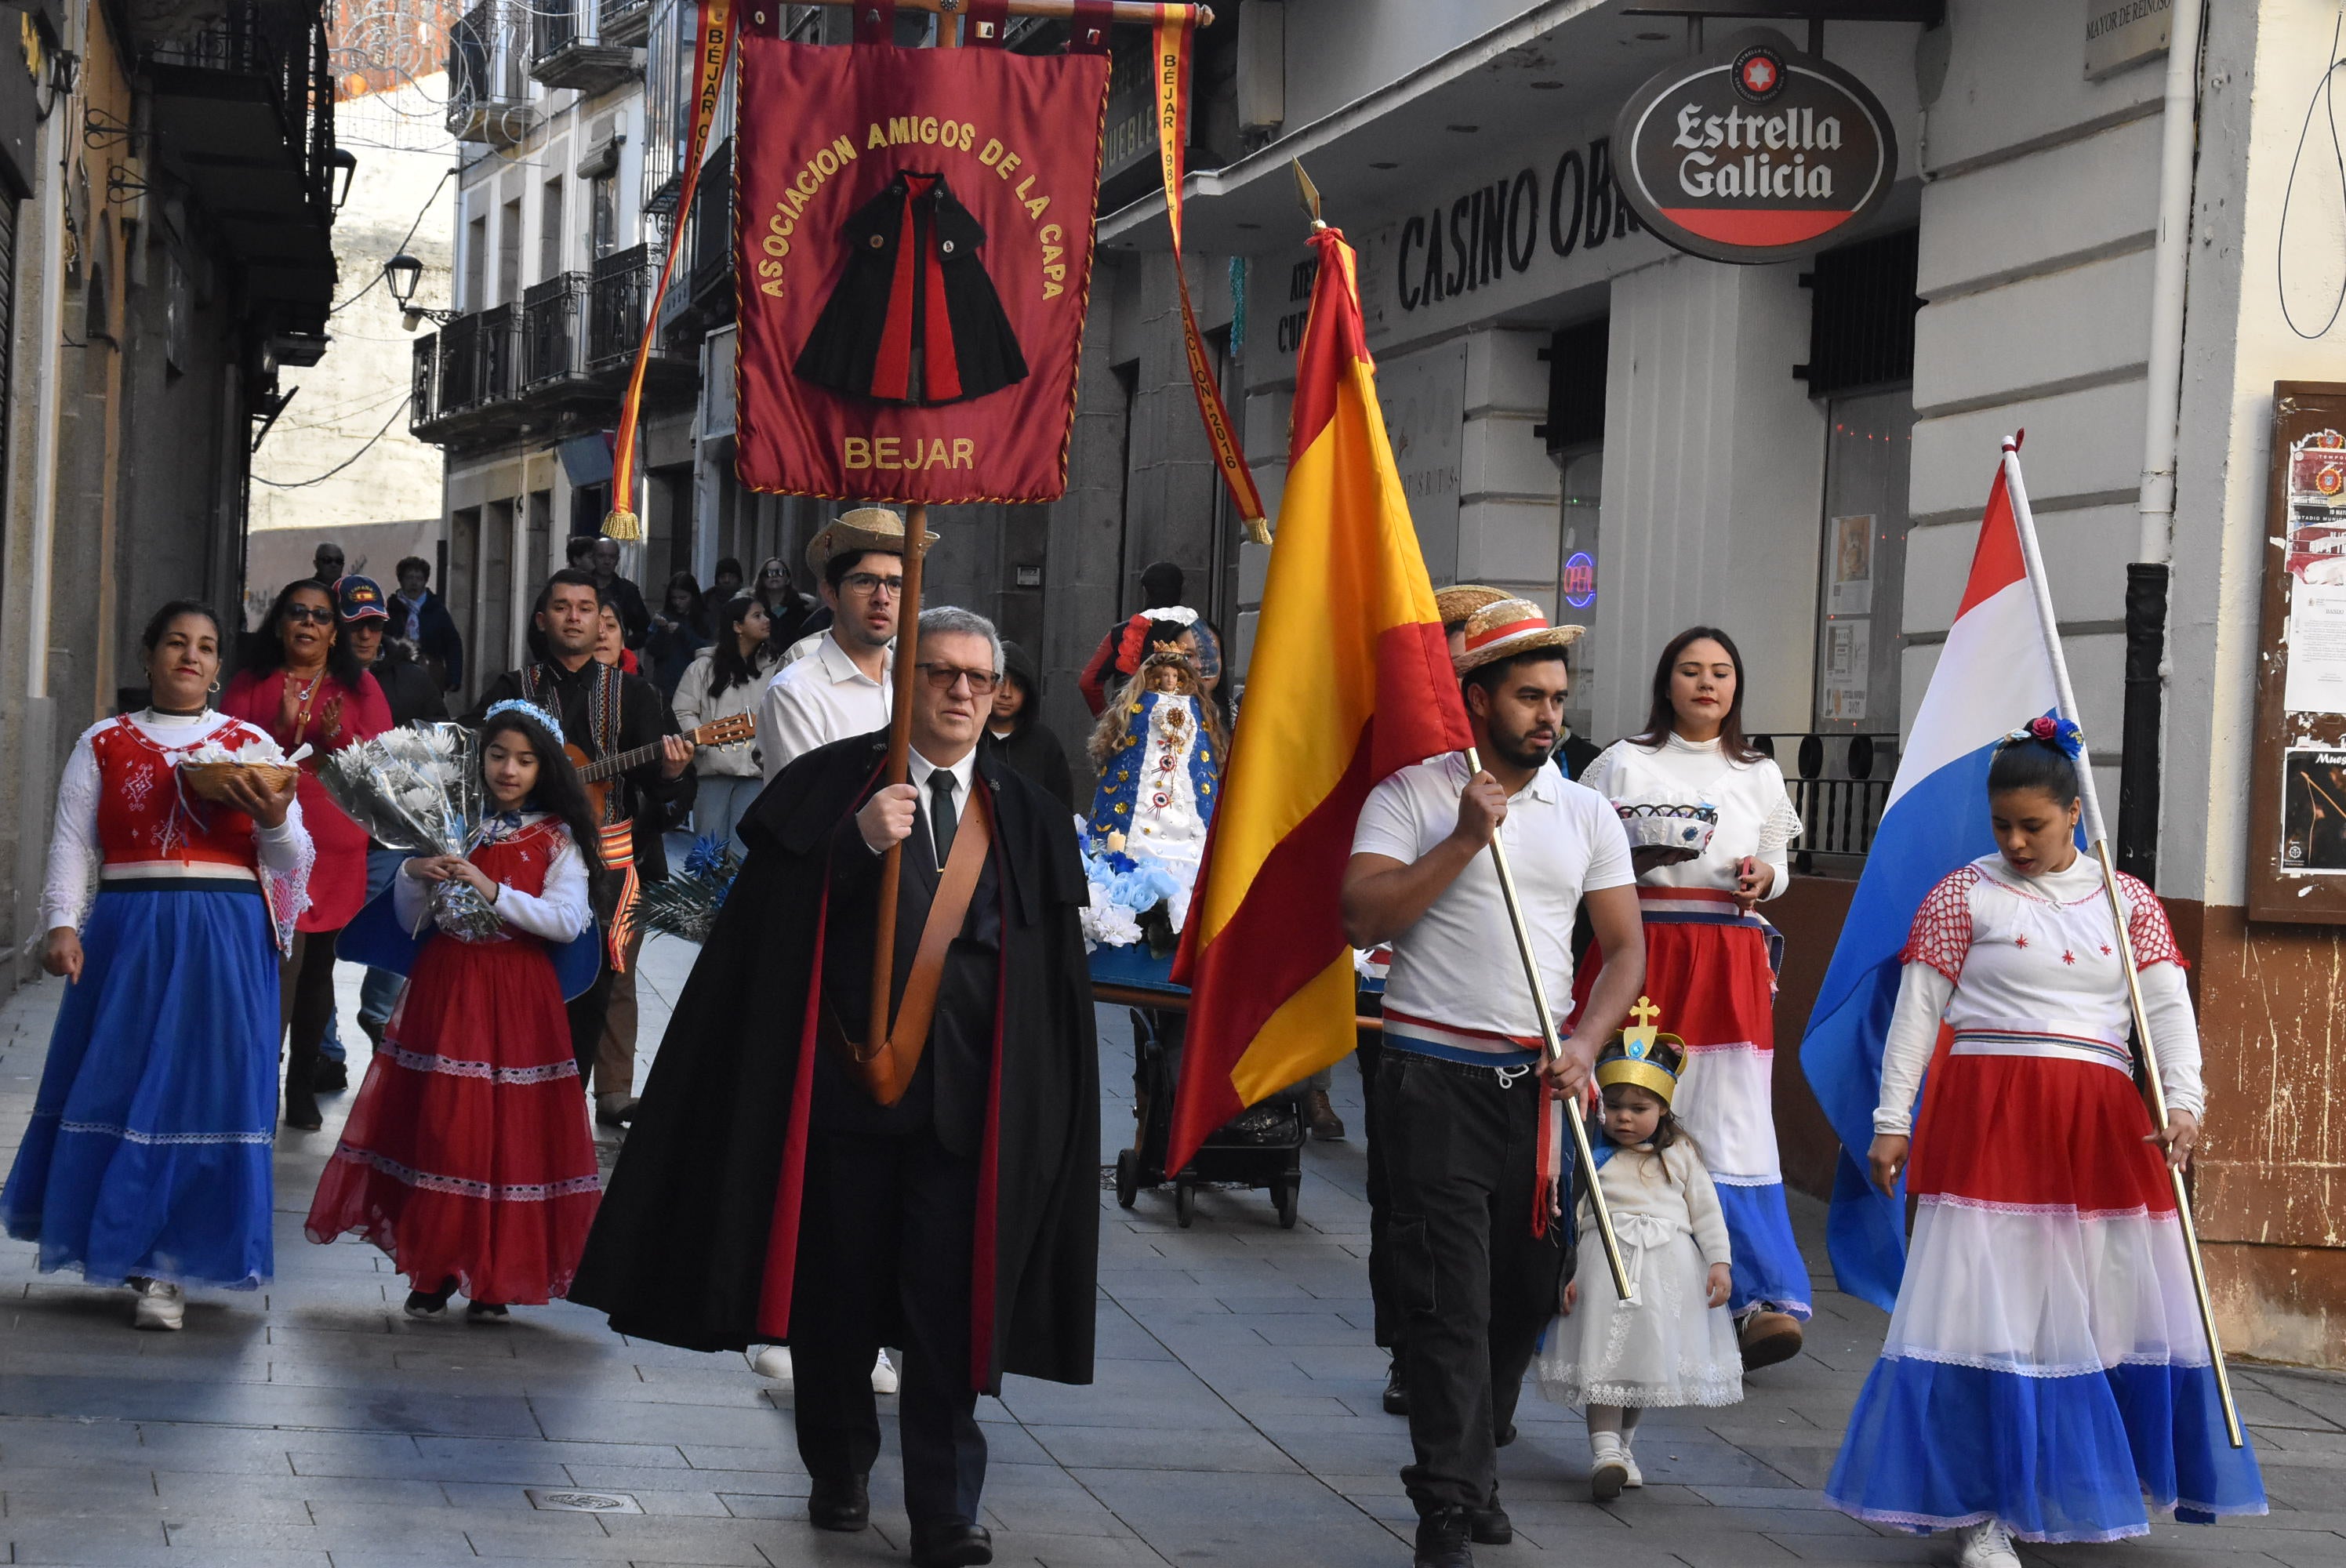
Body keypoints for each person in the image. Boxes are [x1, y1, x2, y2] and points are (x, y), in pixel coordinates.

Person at [571, 607, 1100, 1568]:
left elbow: (1049, 978)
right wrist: (850, 845)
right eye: (939, 672)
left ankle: (946, 1508)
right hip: (841, 1099)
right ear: (903, 681)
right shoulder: (828, 786)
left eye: (979, 678)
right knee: (837, 1299)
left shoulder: (1024, 812)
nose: (961, 692)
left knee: (948, 1309)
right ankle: (840, 1463)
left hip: (968, 1109)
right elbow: (765, 937)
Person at [1826, 717, 2266, 1565]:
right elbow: (1916, 1014)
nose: (2016, 842)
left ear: (2074, 813)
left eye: (2033, 824)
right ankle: (1980, 1504)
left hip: (2100, 1127)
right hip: (1990, 1121)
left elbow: (2166, 1010)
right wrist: (1890, 1121)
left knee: (2100, 1308)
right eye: (2002, 825)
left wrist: (2184, 1102)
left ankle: (2072, 1483)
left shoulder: (2127, 901)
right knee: (1987, 1307)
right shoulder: (1962, 894)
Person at [1340, 598, 1645, 1568]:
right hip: (1433, 1077)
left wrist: (1588, 1040)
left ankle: (1476, 1452)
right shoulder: (1411, 795)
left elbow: (1625, 949)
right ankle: (1445, 1500)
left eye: (1557, 696)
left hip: (1541, 1089)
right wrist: (1467, 838)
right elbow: (1361, 915)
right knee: (1448, 1299)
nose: (1549, 714)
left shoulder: (1585, 811)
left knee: (1524, 1293)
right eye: (1528, 696)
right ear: (1476, 699)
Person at [2, 601, 310, 1331]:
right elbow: (72, 843)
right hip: (130, 930)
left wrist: (271, 816)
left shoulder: (251, 743)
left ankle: (169, 1263)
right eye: (175, 642)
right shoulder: (103, 742)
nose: (189, 656)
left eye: (204, 646)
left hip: (225, 933)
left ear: (218, 665)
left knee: (204, 1088)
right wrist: (62, 923)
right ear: (148, 656)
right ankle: (128, 1245)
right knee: (123, 1080)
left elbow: (292, 858)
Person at [305, 701, 604, 1323]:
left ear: (545, 768)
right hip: (448, 988)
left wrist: (490, 888)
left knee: (508, 1135)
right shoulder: (455, 822)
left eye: (525, 760)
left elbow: (566, 920)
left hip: (517, 996)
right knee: (442, 1124)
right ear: (478, 759)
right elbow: (414, 919)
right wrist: (416, 871)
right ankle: (434, 1266)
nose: (508, 770)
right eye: (497, 755)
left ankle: (493, 1278)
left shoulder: (559, 836)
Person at [1574, 627, 1810, 1370]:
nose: (1707, 684)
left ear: (1737, 686)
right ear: (1666, 682)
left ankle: (1754, 1298)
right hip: (1640, 949)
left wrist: (1764, 879)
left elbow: (1777, 863)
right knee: (1628, 1100)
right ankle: (1601, 1281)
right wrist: (1633, 857)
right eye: (1691, 670)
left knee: (1732, 1120)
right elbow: (1577, 847)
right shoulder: (1621, 762)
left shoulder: (1759, 772)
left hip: (1728, 959)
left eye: (1721, 672)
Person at [469, 570, 695, 1131]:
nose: (574, 616)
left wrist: (671, 775)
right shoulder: (512, 688)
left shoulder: (635, 695)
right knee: (522, 975)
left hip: (610, 862)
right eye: (562, 606)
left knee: (605, 980)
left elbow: (669, 792)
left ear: (601, 623)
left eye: (586, 607)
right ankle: (513, 1092)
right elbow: (470, 759)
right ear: (541, 619)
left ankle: (590, 1099)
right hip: (521, 859)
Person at [1534, 1024, 1740, 1501]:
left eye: (1639, 1108)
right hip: (1604, 1268)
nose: (1624, 1118)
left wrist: (1719, 1262)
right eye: (1614, 1106)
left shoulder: (1680, 1154)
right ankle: (1605, 1450)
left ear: (1663, 1107)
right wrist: (1565, 1273)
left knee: (1647, 1360)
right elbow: (1572, 1216)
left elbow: (1706, 1211)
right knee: (1605, 1359)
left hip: (1667, 1273)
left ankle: (1624, 1448)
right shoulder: (1591, 1154)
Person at [222, 580, 392, 1132]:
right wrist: (276, 734)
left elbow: (380, 762)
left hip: (334, 839)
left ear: (334, 631)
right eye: (298, 612)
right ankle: (260, 1083)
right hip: (262, 833)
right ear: (279, 624)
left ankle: (301, 1083)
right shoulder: (252, 681)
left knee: (318, 966)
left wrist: (335, 741)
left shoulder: (359, 685)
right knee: (271, 962)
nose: (309, 623)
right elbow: (225, 749)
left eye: (321, 616)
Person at [325, 575, 448, 1086]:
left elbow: (443, 748)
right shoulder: (315, 678)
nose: (365, 635)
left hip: (389, 839)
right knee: (319, 945)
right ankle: (324, 1049)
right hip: (325, 837)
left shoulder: (411, 681)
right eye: (355, 625)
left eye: (374, 625)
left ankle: (379, 1012)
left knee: (401, 924)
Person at [758, 508, 932, 784]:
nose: (882, 597)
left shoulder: (918, 682)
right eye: (865, 581)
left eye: (896, 584)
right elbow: (804, 801)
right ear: (831, 593)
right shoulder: (796, 691)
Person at [673, 594, 779, 851]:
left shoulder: (776, 667)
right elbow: (682, 712)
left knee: (744, 853)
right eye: (757, 616)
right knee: (708, 853)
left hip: (756, 773)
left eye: (765, 614)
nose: (766, 620)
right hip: (713, 773)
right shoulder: (702, 668)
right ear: (737, 626)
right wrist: (704, 745)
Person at [1078, 561, 1221, 716]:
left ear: (1145, 591)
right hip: (1188, 722)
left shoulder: (1122, 632)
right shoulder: (1203, 631)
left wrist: (1107, 719)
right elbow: (1213, 678)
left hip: (1133, 723)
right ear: (1181, 590)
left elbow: (1088, 682)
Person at [987, 641, 1072, 811]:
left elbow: (1061, 808)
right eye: (1000, 681)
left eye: (1017, 685)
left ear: (1028, 693)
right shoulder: (968, 737)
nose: (1006, 693)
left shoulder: (1044, 743)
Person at [387, 556, 466, 693]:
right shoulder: (391, 609)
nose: (414, 583)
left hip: (430, 676)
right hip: (396, 675)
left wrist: (454, 678)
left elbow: (453, 644)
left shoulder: (436, 609)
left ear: (425, 581)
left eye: (419, 578)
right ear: (401, 580)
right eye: (409, 578)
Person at [647, 572, 711, 699]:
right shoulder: (663, 617)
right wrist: (662, 631)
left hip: (692, 684)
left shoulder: (704, 618)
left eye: (683, 598)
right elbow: (651, 649)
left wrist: (683, 633)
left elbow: (705, 649)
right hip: (665, 685)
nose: (677, 602)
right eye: (674, 598)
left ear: (693, 597)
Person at [755, 554, 827, 659]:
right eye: (768, 573)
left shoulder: (803, 608)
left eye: (780, 572)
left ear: (788, 578)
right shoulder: (752, 609)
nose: (774, 576)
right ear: (762, 579)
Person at [589, 535, 652, 649]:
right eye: (601, 556)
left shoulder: (628, 591)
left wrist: (622, 645)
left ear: (617, 560)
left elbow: (644, 630)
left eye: (612, 557)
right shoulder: (582, 586)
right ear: (593, 558)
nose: (607, 561)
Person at [701, 557, 745, 622]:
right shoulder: (705, 602)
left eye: (732, 577)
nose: (727, 580)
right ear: (717, 580)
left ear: (739, 580)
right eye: (722, 577)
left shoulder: (748, 603)